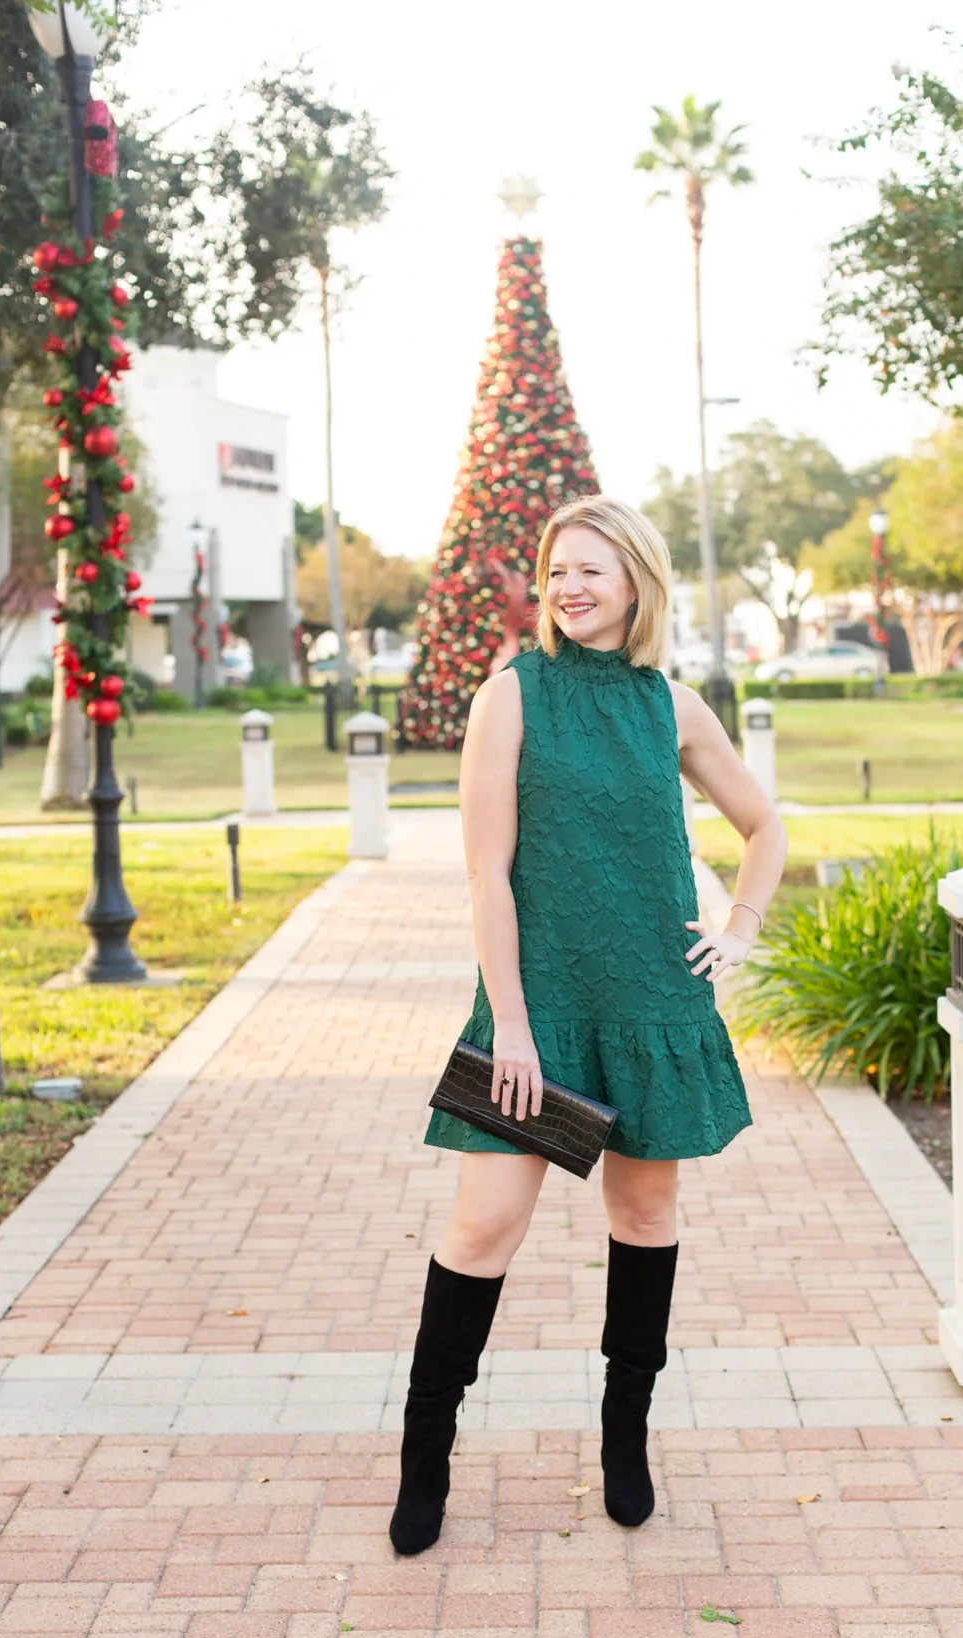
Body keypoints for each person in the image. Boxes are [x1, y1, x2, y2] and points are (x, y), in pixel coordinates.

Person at [390, 495, 788, 1556]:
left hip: (653, 1001)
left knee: (645, 1219)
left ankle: (626, 1443)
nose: (568, 588)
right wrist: (511, 1024)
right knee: (483, 1228)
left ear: (637, 586)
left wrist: (738, 928)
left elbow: (765, 827)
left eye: (592, 573)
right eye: (558, 570)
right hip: (543, 1014)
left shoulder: (673, 705)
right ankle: (424, 1461)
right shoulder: (512, 697)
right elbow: (487, 875)